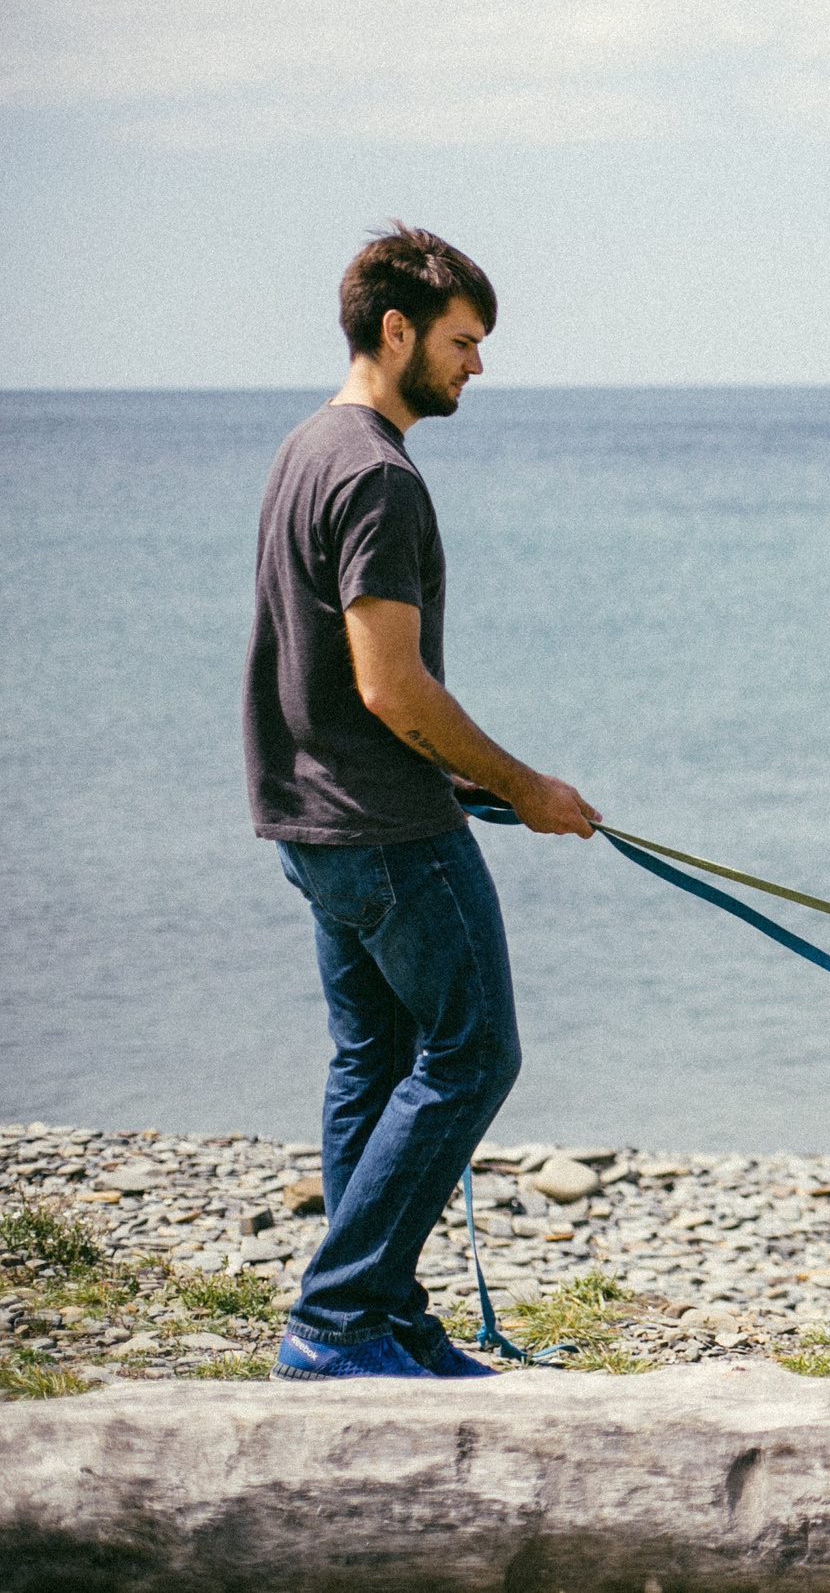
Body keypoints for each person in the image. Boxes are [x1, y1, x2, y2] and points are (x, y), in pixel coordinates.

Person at [243, 223, 598, 1380]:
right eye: (462, 341)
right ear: (395, 330)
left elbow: (337, 678)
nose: (476, 367)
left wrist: (457, 769)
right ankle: (340, 1319)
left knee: (376, 1061)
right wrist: (523, 787)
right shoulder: (377, 476)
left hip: (313, 816)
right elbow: (390, 683)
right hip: (384, 832)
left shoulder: (308, 447)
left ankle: (377, 1313)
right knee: (474, 1054)